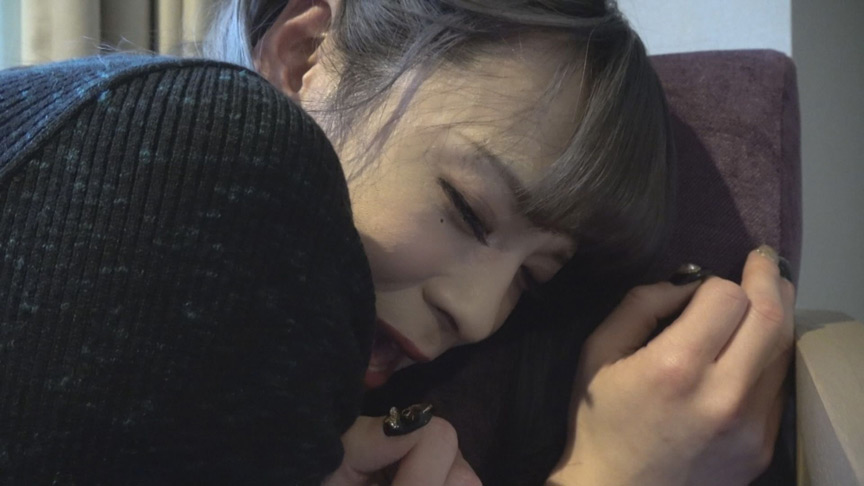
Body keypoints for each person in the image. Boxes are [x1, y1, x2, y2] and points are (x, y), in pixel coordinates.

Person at [0, 1, 794, 485]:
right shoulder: (198, 143)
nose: (477, 315)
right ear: (304, 57)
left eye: (531, 278)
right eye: (468, 210)